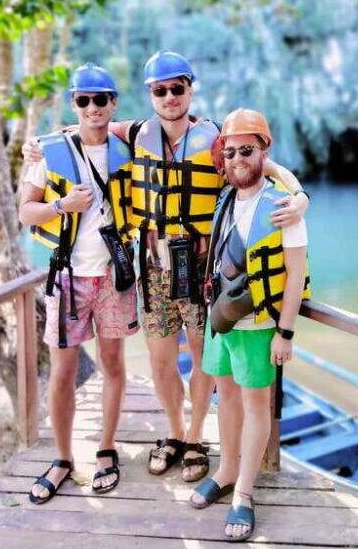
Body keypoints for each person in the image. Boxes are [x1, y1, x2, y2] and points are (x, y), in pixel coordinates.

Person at [22, 51, 308, 484]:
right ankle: (174, 432)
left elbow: (265, 166)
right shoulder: (136, 132)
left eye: (178, 88)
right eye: (161, 90)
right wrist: (40, 144)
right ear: (150, 94)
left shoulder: (216, 139)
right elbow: (86, 127)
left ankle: (195, 438)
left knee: (203, 359)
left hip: (201, 269)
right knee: (160, 361)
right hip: (153, 267)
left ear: (190, 88)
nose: (170, 96)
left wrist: (300, 195)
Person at [189, 108, 309, 542]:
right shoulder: (226, 199)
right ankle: (225, 470)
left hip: (258, 325)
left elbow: (295, 274)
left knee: (256, 405)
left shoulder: (283, 207)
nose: (238, 158)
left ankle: (244, 491)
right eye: (231, 151)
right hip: (221, 318)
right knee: (225, 396)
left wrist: (286, 332)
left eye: (248, 150)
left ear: (264, 152)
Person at [19, 64, 138, 503]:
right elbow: (25, 212)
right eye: (84, 100)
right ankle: (63, 458)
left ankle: (106, 449)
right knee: (63, 372)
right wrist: (62, 206)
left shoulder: (127, 150)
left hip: (113, 276)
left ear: (113, 103)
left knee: (113, 364)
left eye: (100, 99)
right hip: (68, 275)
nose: (92, 107)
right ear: (74, 103)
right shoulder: (48, 153)